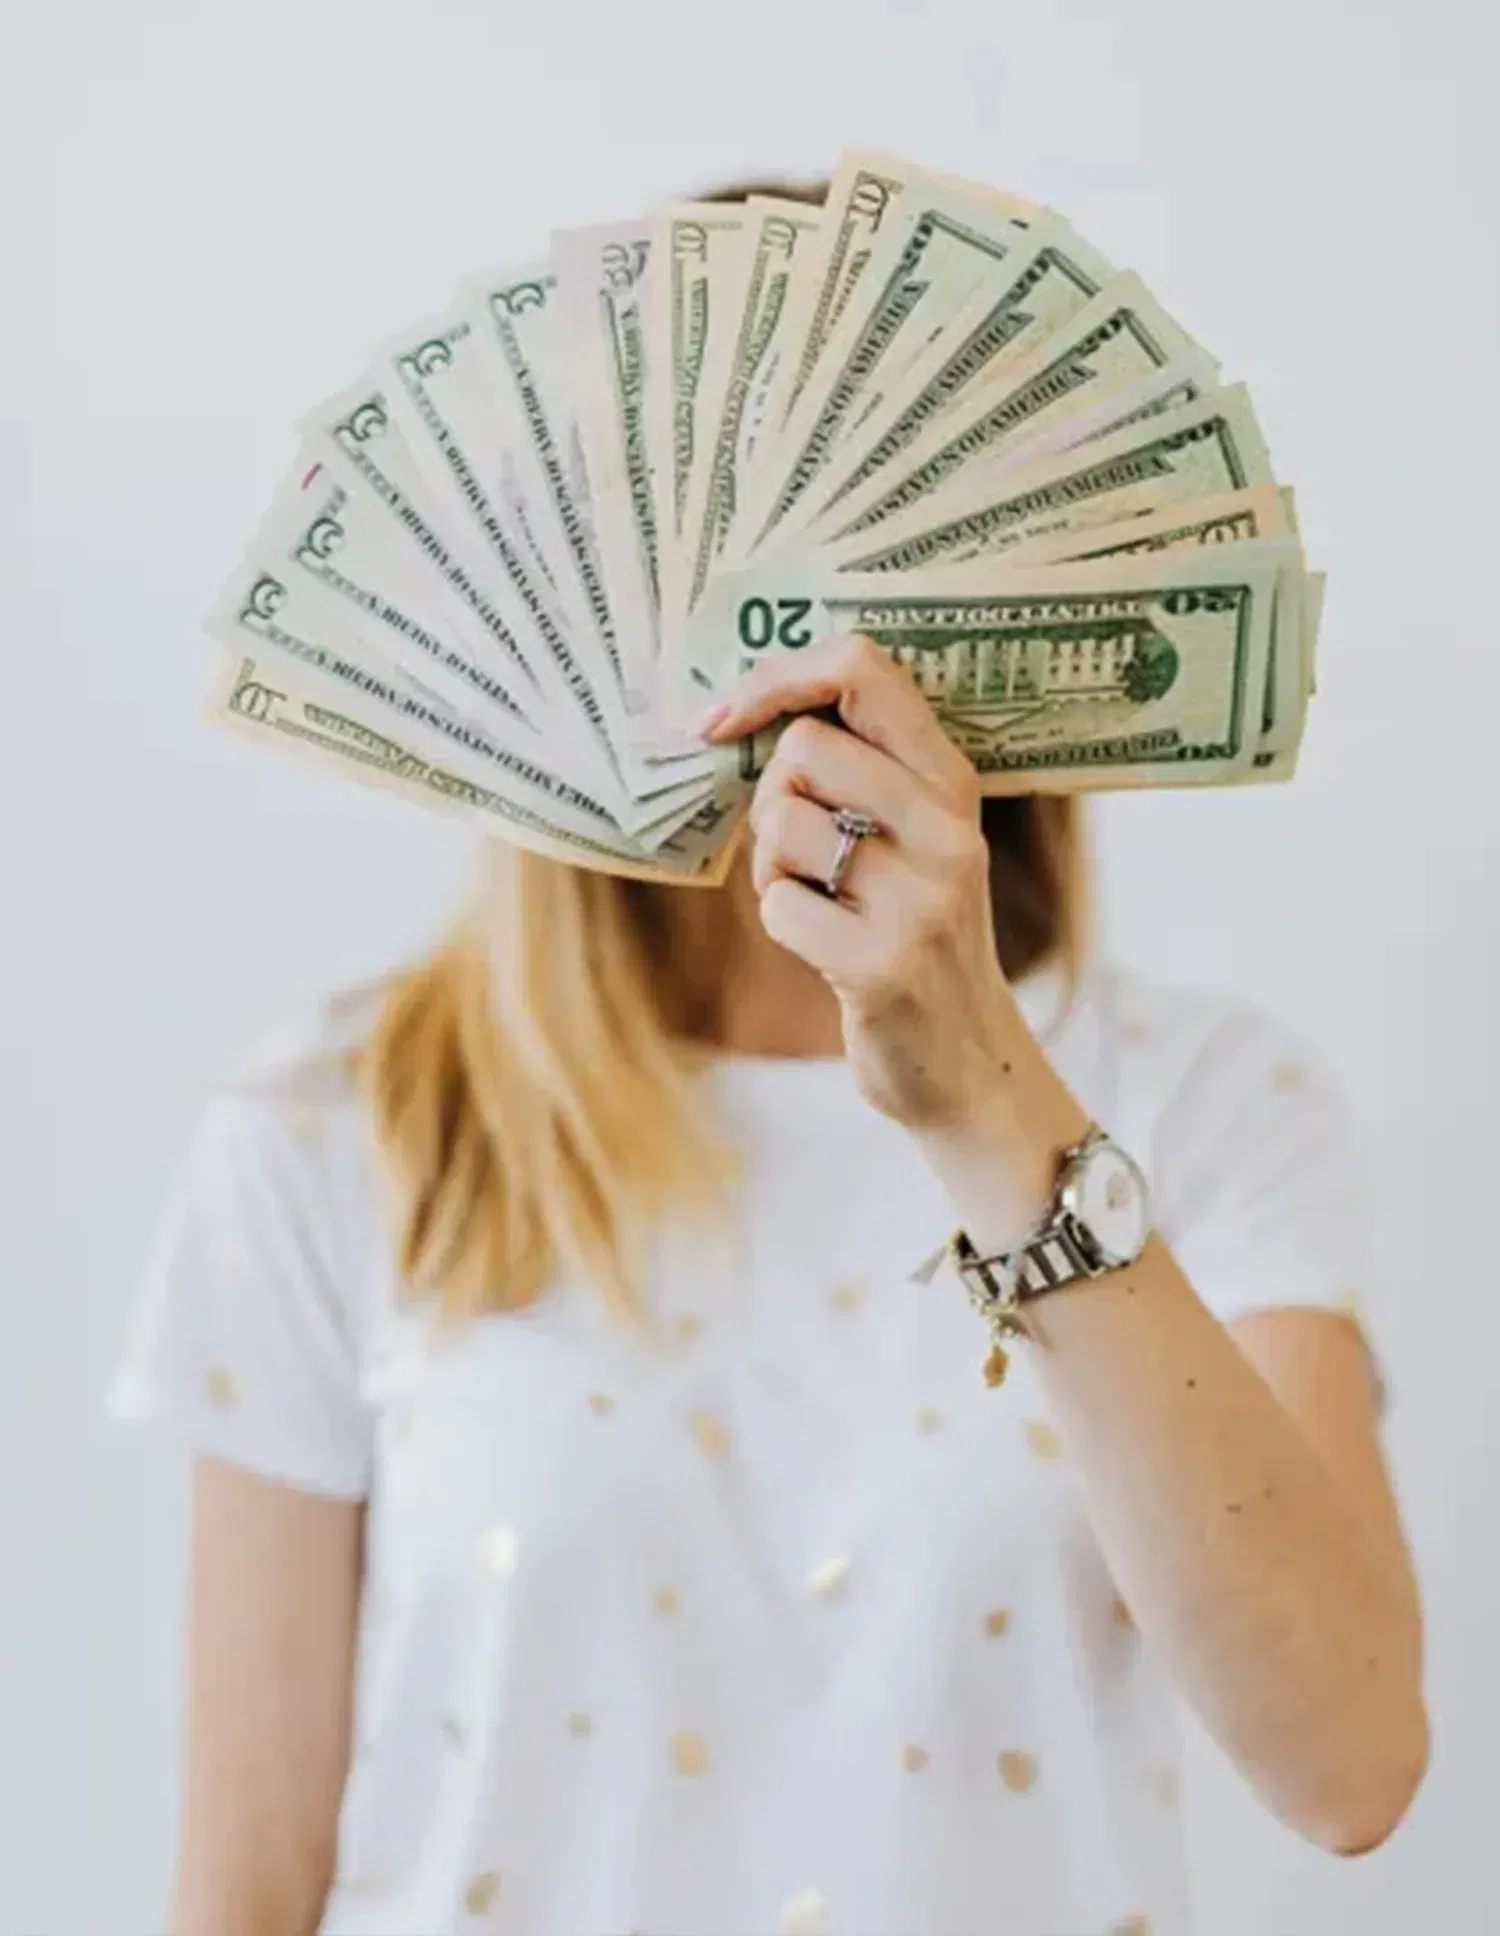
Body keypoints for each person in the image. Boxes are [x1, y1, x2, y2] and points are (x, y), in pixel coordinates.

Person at [114, 264, 1426, 1936]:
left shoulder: (1211, 1100)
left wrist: (983, 1099)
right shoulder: (336, 1123)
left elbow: (1352, 1764)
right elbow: (245, 1882)